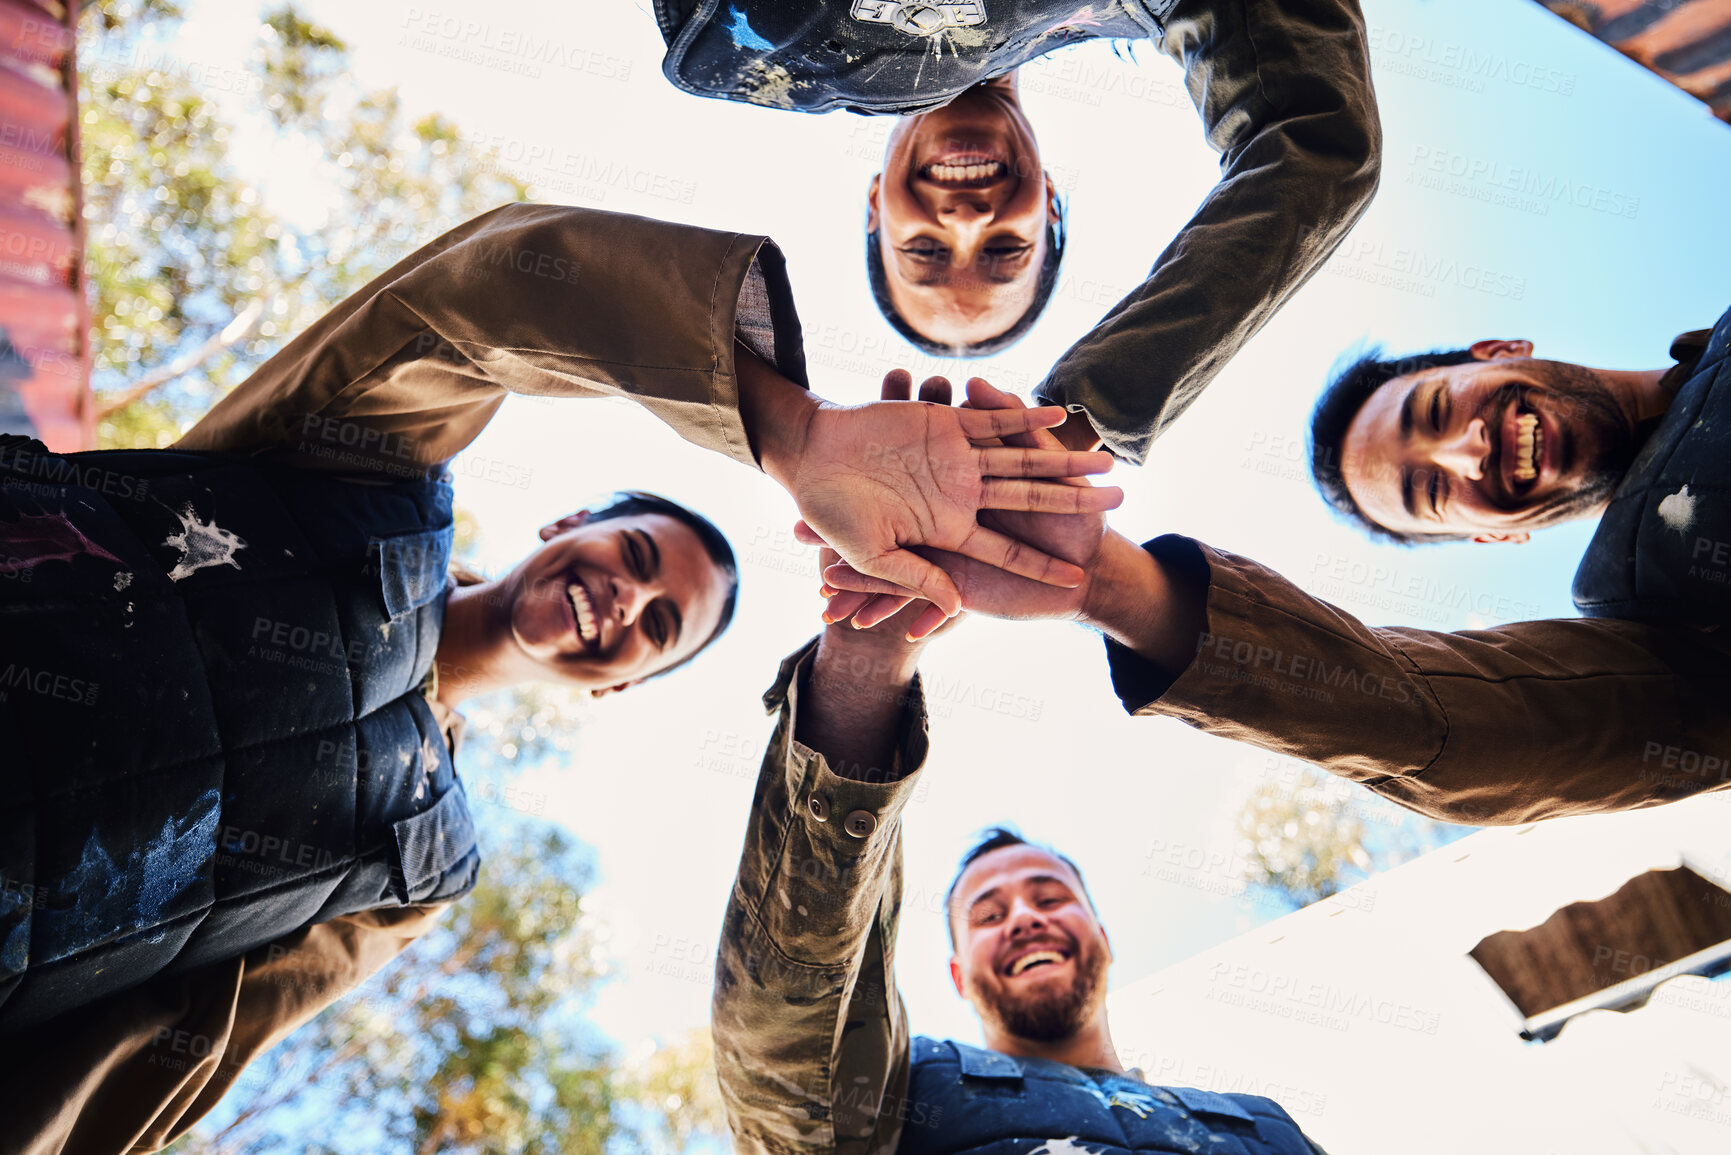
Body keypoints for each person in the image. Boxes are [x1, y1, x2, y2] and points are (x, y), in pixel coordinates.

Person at [0, 203, 1118, 1151]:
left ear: (618, 687)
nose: (621, 602)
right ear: (569, 522)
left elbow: (168, 1047)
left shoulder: (417, 862)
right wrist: (795, 433)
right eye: (632, 557)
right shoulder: (362, 480)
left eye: (656, 625)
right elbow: (479, 297)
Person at [815, 351, 1731, 827]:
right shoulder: (1668, 631)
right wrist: (1106, 583)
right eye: (1431, 491)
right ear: (1494, 534)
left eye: (1436, 410)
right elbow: (1456, 727)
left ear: (1494, 352)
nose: (1467, 450)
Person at [711, 497, 1328, 1152]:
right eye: (987, 914)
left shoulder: (1264, 1127)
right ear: (956, 976)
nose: (1024, 918)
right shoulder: (895, 1098)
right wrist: (867, 657)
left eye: (1051, 895)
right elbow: (784, 1049)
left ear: (1105, 936)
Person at [653, 0, 1380, 458]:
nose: (966, 221)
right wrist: (1083, 421)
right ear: (1051, 207)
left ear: (875, 206)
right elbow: (1313, 145)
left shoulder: (747, 59)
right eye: (1006, 249)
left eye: (925, 251)